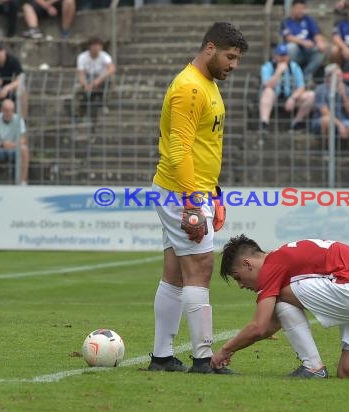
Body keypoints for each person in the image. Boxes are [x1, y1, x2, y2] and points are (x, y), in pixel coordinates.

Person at [148, 22, 248, 374]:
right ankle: (203, 360)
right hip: (181, 191)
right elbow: (179, 149)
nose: (233, 64)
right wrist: (193, 201)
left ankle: (162, 357)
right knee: (200, 269)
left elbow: (204, 146)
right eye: (230, 56)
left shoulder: (206, 84)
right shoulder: (189, 88)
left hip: (190, 189)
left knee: (176, 273)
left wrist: (214, 194)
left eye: (236, 58)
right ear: (210, 48)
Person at [211, 235, 349, 384]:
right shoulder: (283, 258)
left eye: (239, 277)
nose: (242, 285)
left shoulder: (272, 266)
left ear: (248, 264)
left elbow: (261, 326)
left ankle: (312, 368)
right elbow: (270, 325)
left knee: (279, 296)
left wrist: (224, 351)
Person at [312, 63, 349, 154]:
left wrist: (344, 96)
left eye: (340, 76)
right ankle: (328, 150)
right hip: (322, 122)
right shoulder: (320, 90)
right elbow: (325, 112)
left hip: (343, 120)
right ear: (328, 78)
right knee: (327, 121)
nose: (339, 78)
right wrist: (339, 125)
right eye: (337, 76)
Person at [259, 43, 315, 134]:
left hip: (290, 96)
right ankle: (264, 123)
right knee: (267, 91)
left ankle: (297, 122)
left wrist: (293, 98)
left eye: (284, 56)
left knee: (311, 95)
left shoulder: (294, 67)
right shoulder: (267, 67)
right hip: (275, 96)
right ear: (275, 56)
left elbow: (301, 86)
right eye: (280, 56)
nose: (283, 58)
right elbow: (267, 85)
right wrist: (278, 72)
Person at [279, 0, 327, 83]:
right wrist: (303, 42)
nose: (300, 11)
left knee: (322, 50)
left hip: (308, 51)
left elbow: (316, 33)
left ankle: (306, 75)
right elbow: (288, 37)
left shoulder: (309, 20)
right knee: (291, 47)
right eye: (298, 8)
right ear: (292, 9)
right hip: (294, 53)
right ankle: (292, 74)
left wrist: (319, 42)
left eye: (302, 8)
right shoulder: (285, 21)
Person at [0, 99, 29, 185]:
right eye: (6, 110)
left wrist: (13, 144)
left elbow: (23, 139)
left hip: (14, 148)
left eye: (11, 110)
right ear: (2, 110)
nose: (8, 113)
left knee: (24, 149)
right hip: (1, 148)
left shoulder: (18, 119)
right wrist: (2, 144)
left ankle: (23, 181)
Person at [75, 36, 116, 118]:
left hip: (101, 79)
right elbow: (81, 73)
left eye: (98, 45)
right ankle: (78, 112)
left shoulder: (105, 56)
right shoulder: (82, 57)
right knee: (77, 90)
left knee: (109, 82)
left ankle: (104, 104)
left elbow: (111, 69)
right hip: (87, 78)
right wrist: (85, 84)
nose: (96, 48)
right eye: (94, 45)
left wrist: (98, 80)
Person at [0, 42, 27, 121]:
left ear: (3, 51)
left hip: (11, 87)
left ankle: (22, 119)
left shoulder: (13, 60)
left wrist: (7, 88)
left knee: (22, 89)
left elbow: (20, 79)